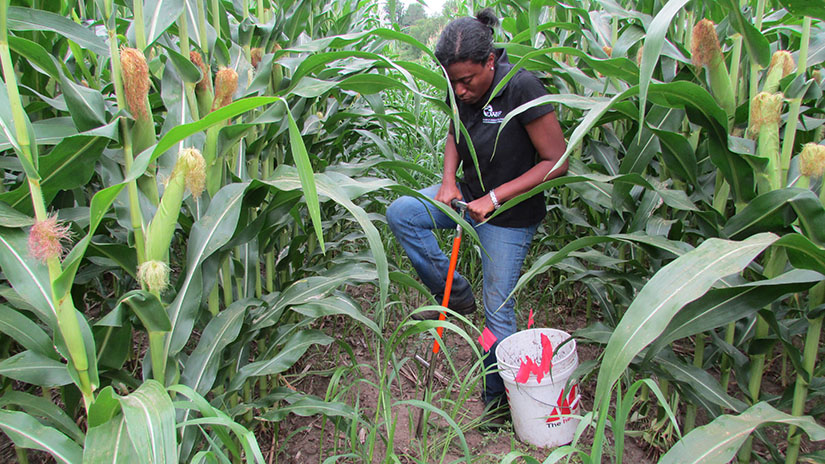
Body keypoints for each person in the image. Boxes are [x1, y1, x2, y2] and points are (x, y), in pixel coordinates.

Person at [386, 8, 568, 419]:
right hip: (468, 196)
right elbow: (455, 130)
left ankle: (498, 402)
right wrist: (449, 181)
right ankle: (455, 294)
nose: (460, 90)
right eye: (452, 82)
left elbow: (556, 161)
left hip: (509, 214)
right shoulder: (461, 87)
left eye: (466, 81)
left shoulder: (520, 87)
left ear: (489, 63)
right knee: (403, 213)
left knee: (498, 314)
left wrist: (496, 198)